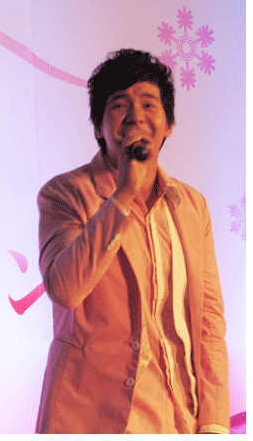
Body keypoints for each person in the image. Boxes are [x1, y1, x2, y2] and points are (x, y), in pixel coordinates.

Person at [35, 49, 229, 434]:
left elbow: (208, 321)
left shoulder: (192, 205)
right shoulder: (65, 194)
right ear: (98, 127)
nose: (136, 115)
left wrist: (214, 422)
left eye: (148, 104)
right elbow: (66, 289)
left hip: (177, 418)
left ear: (168, 124)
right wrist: (123, 195)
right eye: (120, 104)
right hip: (90, 419)